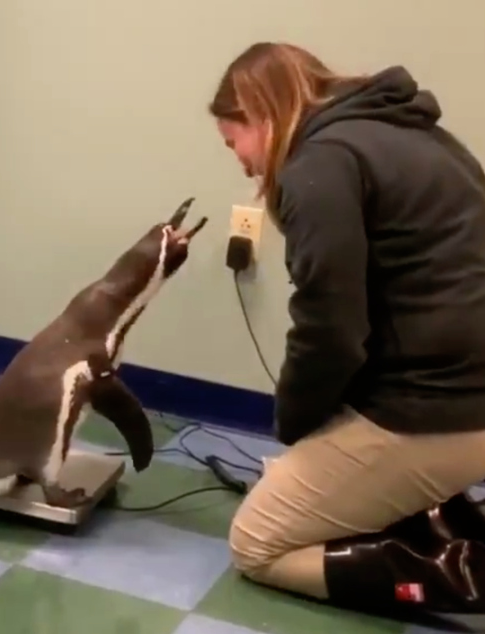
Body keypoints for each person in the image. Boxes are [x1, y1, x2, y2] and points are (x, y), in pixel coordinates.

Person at [208, 42, 485, 622]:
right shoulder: (413, 135)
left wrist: (293, 422)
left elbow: (331, 328)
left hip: (440, 409)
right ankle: (442, 516)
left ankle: (448, 571)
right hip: (464, 392)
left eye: (234, 142)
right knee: (309, 466)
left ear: (262, 115)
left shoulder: (318, 165)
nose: (241, 162)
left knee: (256, 543)